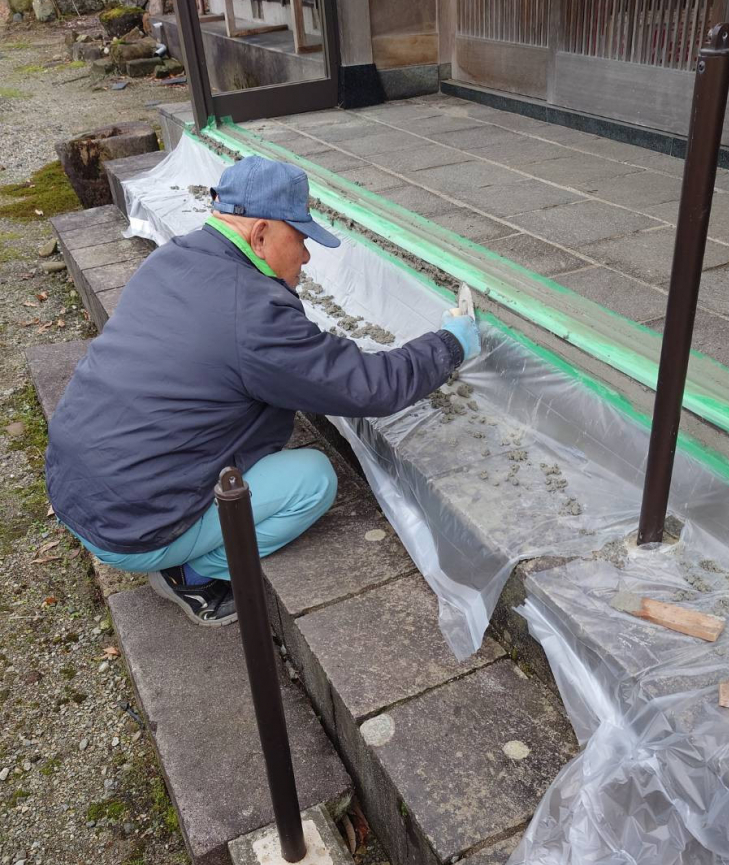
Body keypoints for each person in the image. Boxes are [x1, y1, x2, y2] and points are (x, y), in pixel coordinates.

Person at [45, 155, 480, 627]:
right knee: (313, 479)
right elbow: (370, 387)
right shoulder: (254, 315)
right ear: (259, 235)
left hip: (78, 491)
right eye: (300, 239)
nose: (308, 257)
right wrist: (450, 345)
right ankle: (190, 574)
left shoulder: (173, 257)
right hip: (132, 526)